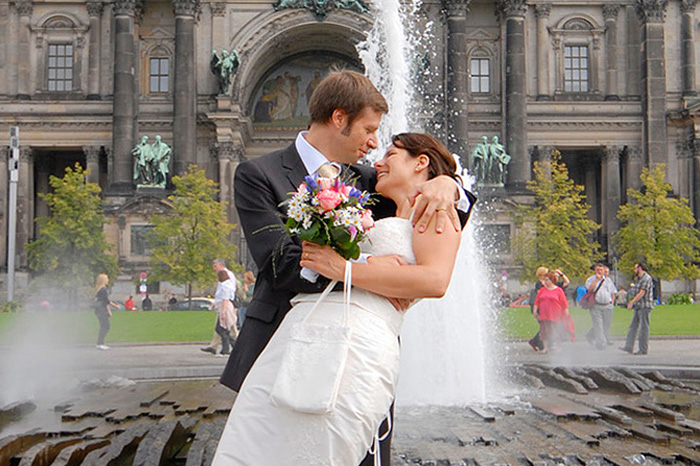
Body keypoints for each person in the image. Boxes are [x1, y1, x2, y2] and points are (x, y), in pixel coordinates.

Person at [219, 70, 474, 466]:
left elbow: (432, 205)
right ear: (339, 119)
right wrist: (363, 268)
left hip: (361, 354)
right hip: (281, 344)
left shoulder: (370, 180)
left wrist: (450, 186)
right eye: (369, 129)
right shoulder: (258, 175)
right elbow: (279, 265)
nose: (374, 143)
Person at [202, 259, 237, 355]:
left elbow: (226, 295)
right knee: (223, 329)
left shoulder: (226, 278)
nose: (214, 269)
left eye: (215, 266)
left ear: (221, 265)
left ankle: (232, 347)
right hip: (223, 305)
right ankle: (217, 347)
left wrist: (222, 310)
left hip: (226, 306)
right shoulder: (223, 280)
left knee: (226, 329)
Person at [620, 262, 654, 355]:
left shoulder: (646, 278)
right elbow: (635, 291)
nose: (634, 270)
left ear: (640, 268)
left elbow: (641, 293)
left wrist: (632, 302)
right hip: (638, 306)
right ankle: (629, 347)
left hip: (645, 306)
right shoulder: (638, 279)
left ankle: (643, 349)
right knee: (633, 327)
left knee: (643, 328)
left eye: (635, 268)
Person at [532, 271, 570, 354]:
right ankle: (545, 347)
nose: (545, 282)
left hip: (556, 314)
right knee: (544, 331)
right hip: (544, 314)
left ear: (552, 280)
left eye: (547, 280)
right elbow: (537, 301)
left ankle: (557, 346)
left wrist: (566, 312)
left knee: (556, 330)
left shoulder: (559, 290)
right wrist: (535, 310)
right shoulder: (542, 290)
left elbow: (564, 303)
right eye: (545, 280)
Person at [584, 263, 617, 350]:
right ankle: (601, 343)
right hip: (596, 305)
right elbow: (589, 289)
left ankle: (590, 336)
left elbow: (613, 291)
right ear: (595, 270)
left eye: (601, 270)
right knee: (598, 324)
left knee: (606, 324)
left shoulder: (608, 280)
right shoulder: (591, 279)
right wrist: (596, 280)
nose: (599, 271)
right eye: (597, 270)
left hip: (607, 305)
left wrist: (612, 302)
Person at [214, 270, 238, 357]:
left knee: (222, 329)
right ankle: (232, 346)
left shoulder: (225, 286)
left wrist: (223, 312)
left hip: (225, 307)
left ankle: (226, 349)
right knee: (224, 330)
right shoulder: (228, 285)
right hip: (225, 306)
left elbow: (225, 299)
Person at [93, 273, 120, 350]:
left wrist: (108, 310)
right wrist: (116, 306)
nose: (108, 280)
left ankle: (100, 342)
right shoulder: (103, 289)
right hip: (101, 310)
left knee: (103, 326)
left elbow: (103, 301)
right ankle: (100, 343)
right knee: (105, 326)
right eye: (107, 278)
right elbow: (106, 301)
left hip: (99, 310)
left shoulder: (98, 289)